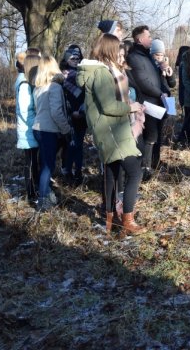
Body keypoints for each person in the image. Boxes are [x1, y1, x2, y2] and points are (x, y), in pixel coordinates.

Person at [78, 34, 146, 235]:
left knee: (112, 173)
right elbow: (109, 106)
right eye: (117, 48)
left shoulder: (97, 71)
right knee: (134, 172)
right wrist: (131, 107)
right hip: (112, 131)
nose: (120, 52)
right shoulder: (101, 73)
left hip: (109, 130)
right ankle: (127, 219)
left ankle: (111, 221)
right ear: (109, 49)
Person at [126, 26, 169, 178]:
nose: (151, 39)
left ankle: (154, 163)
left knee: (157, 135)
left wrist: (164, 72)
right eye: (148, 36)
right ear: (139, 39)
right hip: (147, 102)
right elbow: (142, 81)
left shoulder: (147, 56)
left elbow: (156, 78)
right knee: (149, 136)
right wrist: (160, 93)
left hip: (158, 101)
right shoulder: (134, 57)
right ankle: (145, 168)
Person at [32, 56, 71, 211]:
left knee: (44, 164)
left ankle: (46, 193)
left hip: (38, 128)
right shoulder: (54, 87)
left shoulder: (38, 87)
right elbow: (56, 112)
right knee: (48, 166)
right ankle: (43, 200)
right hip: (48, 130)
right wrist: (66, 129)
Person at [15, 49, 41, 201]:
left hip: (30, 128)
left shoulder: (25, 81)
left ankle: (35, 188)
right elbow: (24, 111)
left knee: (33, 161)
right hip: (28, 130)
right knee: (30, 162)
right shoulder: (24, 84)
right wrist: (36, 125)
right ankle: (31, 194)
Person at [60, 45, 87, 185]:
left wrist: (82, 110)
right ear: (66, 59)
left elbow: (87, 95)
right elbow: (62, 98)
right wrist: (71, 112)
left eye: (78, 58)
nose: (76, 60)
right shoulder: (63, 75)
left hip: (82, 114)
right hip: (69, 116)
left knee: (79, 145)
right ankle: (68, 171)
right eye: (72, 58)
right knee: (71, 144)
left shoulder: (84, 73)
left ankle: (78, 172)